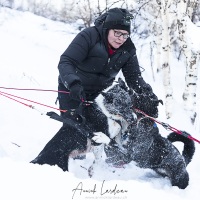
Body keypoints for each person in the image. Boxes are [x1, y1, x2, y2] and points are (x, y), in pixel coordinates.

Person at [57, 7, 159, 120]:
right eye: (117, 33)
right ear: (107, 29)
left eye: (125, 35)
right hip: (73, 90)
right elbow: (66, 61)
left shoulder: (128, 48)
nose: (121, 39)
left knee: (99, 132)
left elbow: (133, 77)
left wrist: (146, 93)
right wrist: (73, 83)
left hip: (100, 95)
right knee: (74, 128)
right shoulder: (89, 36)